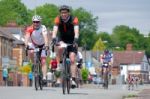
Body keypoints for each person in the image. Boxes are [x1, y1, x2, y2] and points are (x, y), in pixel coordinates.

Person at [52, 5, 79, 88]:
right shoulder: (58, 19)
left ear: (68, 13)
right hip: (62, 38)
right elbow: (55, 30)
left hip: (72, 39)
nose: (63, 14)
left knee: (72, 59)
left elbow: (76, 31)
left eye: (65, 12)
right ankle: (60, 65)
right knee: (59, 47)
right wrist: (53, 37)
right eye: (62, 13)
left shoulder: (74, 19)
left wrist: (76, 39)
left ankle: (73, 80)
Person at [24, 15, 49, 81]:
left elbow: (45, 37)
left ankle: (44, 77)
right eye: (34, 22)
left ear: (40, 22)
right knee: (31, 51)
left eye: (37, 22)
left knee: (43, 61)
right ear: (32, 22)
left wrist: (46, 45)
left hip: (43, 45)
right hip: (34, 44)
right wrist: (26, 45)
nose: (36, 23)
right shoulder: (30, 28)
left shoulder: (43, 27)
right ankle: (34, 63)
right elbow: (26, 37)